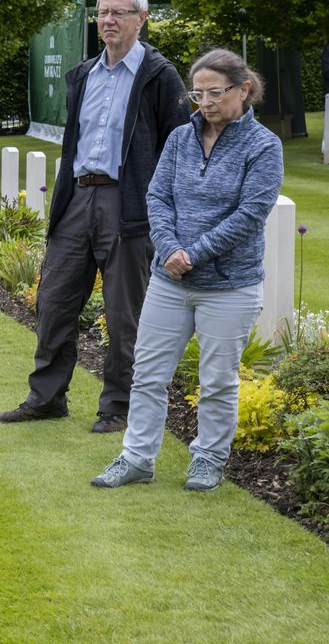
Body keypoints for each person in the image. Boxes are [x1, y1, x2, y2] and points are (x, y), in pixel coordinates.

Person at [0, 0, 189, 433]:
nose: (107, 20)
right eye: (103, 12)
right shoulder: (84, 74)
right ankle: (47, 398)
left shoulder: (160, 76)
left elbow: (178, 147)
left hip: (129, 205)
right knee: (53, 299)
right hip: (77, 198)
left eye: (119, 12)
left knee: (125, 312)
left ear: (141, 19)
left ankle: (118, 406)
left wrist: (165, 213)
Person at [91, 48, 283, 491]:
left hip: (228, 286)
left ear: (244, 89)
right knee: (149, 372)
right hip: (169, 280)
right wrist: (170, 248)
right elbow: (157, 198)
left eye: (215, 93)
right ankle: (136, 458)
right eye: (197, 94)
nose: (206, 103)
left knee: (216, 380)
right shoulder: (180, 139)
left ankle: (209, 459)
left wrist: (192, 254)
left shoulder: (263, 146)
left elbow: (250, 214)